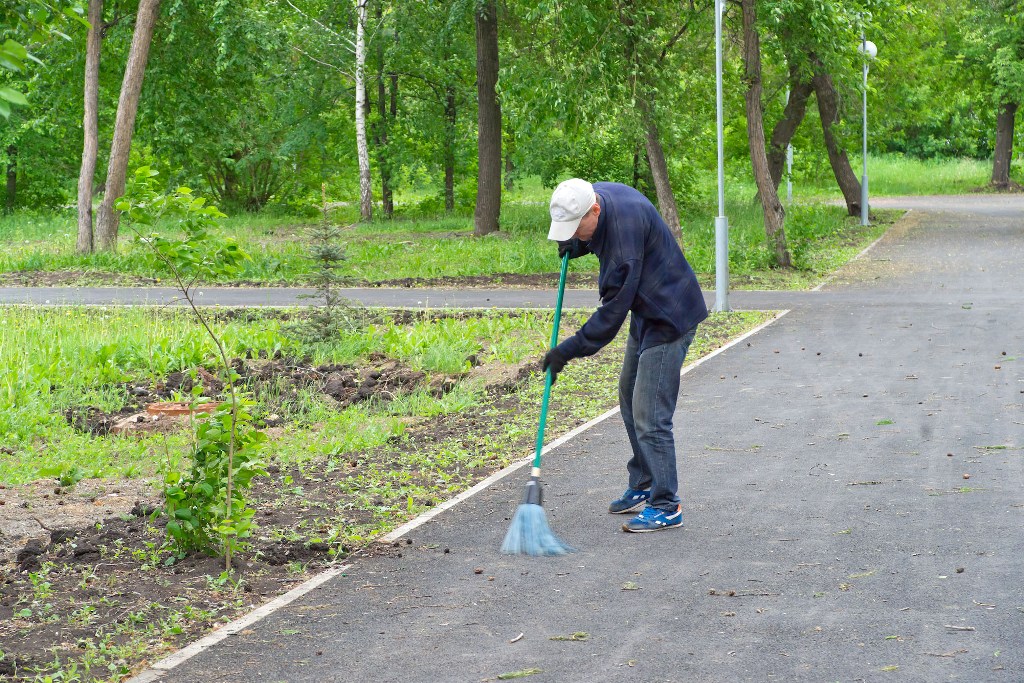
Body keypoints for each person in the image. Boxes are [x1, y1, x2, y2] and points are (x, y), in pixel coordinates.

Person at [543, 178, 708, 532]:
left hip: (669, 317)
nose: (574, 232)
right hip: (647, 308)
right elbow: (599, 234)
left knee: (650, 413)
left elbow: (610, 316)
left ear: (595, 210)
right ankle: (645, 478)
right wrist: (578, 243)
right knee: (627, 393)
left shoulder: (621, 246)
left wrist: (567, 350)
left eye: (577, 227)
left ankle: (666, 504)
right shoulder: (597, 194)